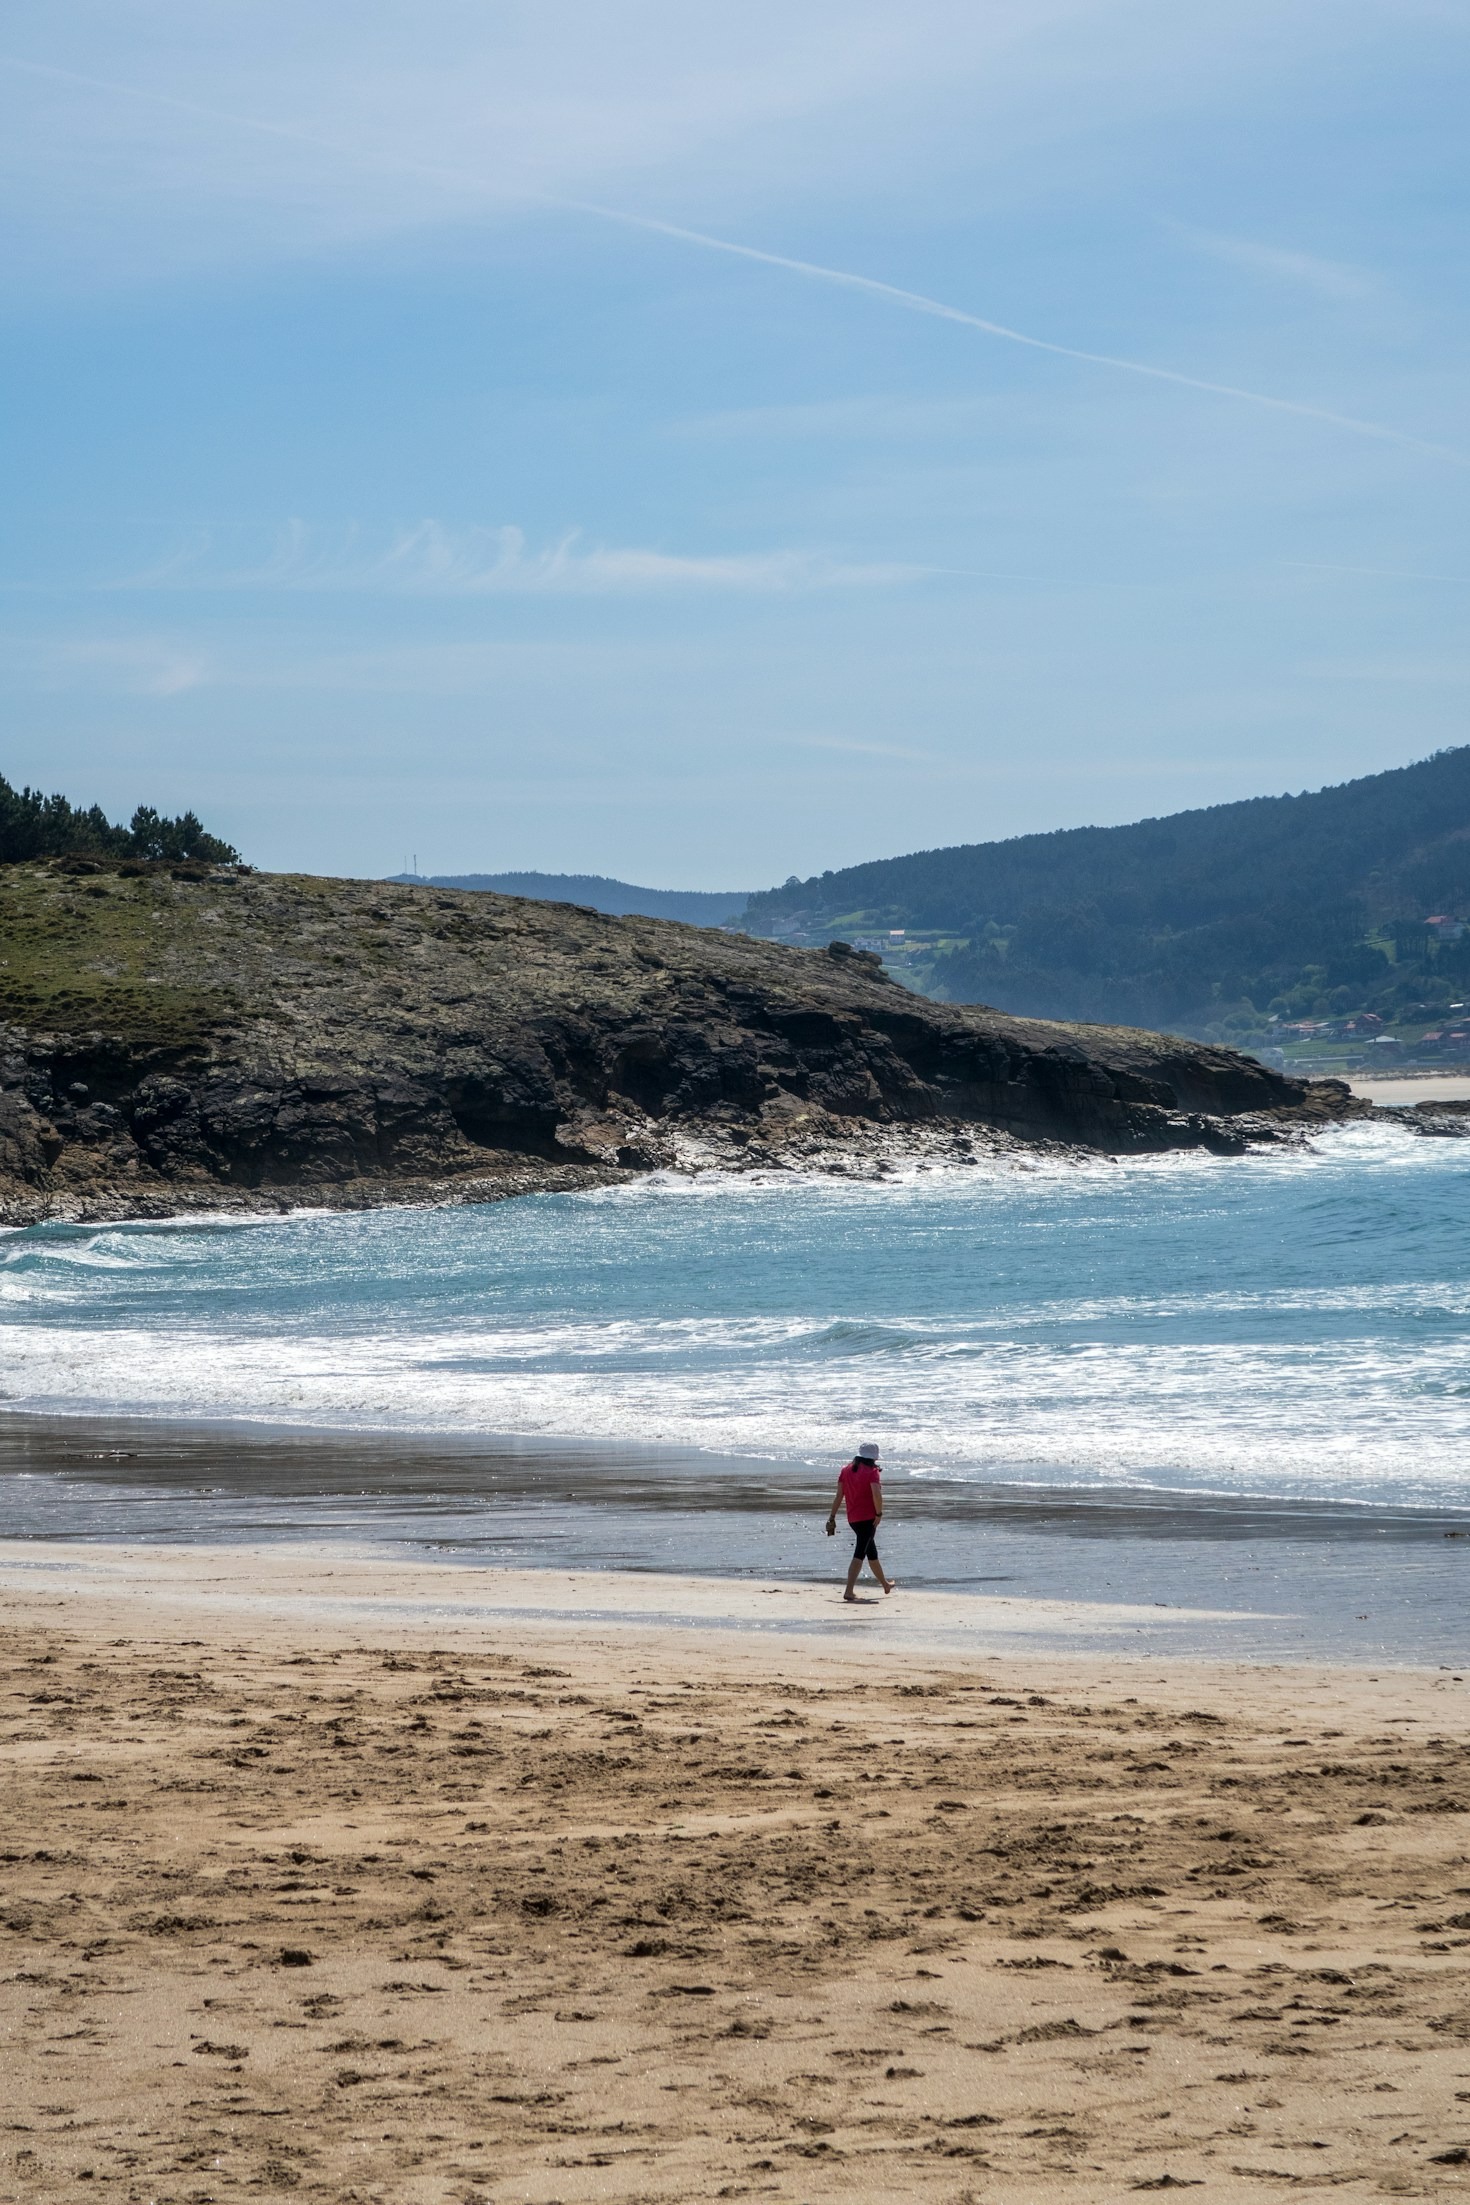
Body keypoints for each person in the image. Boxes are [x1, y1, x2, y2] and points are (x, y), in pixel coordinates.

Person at [825, 1440, 895, 1602]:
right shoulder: (872, 1471)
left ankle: (885, 1584)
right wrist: (879, 1514)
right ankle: (849, 1591)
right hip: (868, 1518)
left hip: (853, 1518)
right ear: (874, 1458)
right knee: (860, 1553)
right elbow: (876, 1494)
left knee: (871, 1552)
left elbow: (839, 1496)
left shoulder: (846, 1470)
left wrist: (832, 1516)